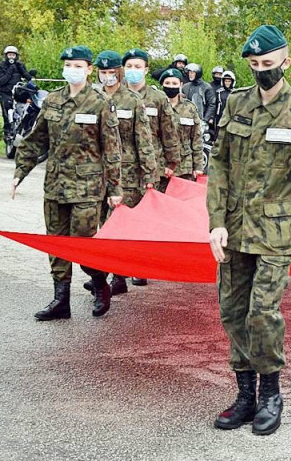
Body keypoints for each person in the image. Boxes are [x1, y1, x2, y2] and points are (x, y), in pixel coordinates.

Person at [207, 24, 291, 436]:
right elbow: (218, 165)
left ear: (286, 61)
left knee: (262, 313)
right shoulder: (236, 102)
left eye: (268, 64)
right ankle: (245, 395)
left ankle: (271, 392)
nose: (261, 71)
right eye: (255, 64)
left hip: (277, 231)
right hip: (235, 229)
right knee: (232, 311)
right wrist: (216, 223)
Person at [11, 46, 122, 320]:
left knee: (83, 244)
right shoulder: (52, 101)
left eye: (78, 65)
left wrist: (115, 189)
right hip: (55, 186)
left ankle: (100, 285)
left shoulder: (99, 103)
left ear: (89, 69)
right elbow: (36, 140)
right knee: (56, 244)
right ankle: (61, 300)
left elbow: (111, 149)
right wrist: (19, 173)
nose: (72, 69)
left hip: (87, 189)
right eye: (68, 64)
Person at [85, 49, 158, 296]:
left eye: (111, 72)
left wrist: (149, 175)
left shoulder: (133, 100)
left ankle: (112, 275)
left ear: (118, 72)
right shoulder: (92, 98)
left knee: (116, 225)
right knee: (99, 224)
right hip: (96, 172)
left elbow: (144, 141)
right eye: (102, 72)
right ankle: (108, 275)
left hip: (127, 173)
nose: (107, 76)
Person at [124, 47, 181, 286]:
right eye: (129, 66)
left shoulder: (157, 99)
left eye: (138, 66)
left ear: (146, 70)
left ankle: (140, 266)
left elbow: (169, 132)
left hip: (151, 167)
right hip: (121, 167)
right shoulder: (115, 96)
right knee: (118, 218)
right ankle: (116, 270)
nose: (133, 71)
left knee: (145, 218)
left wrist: (171, 162)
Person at [162, 69, 205, 180]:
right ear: (162, 84)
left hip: (184, 167)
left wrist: (198, 166)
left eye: (174, 83)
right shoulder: (156, 105)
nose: (171, 86)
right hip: (161, 166)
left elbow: (196, 138)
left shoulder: (189, 108)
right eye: (167, 83)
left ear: (181, 84)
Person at [0, 45, 33, 138]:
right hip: (6, 92)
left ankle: (21, 132)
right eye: (9, 55)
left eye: (13, 55)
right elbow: (1, 81)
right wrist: (10, 70)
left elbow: (28, 78)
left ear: (16, 56)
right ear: (6, 56)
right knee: (7, 115)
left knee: (22, 113)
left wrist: (22, 69)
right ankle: (8, 134)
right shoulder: (0, 66)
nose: (11, 57)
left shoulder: (19, 65)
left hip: (18, 93)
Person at [214, 70, 236, 134]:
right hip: (219, 116)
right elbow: (214, 105)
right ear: (223, 82)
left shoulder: (235, 92)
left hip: (231, 116)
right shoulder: (219, 92)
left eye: (229, 81)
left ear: (232, 82)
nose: (227, 83)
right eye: (226, 81)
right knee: (218, 133)